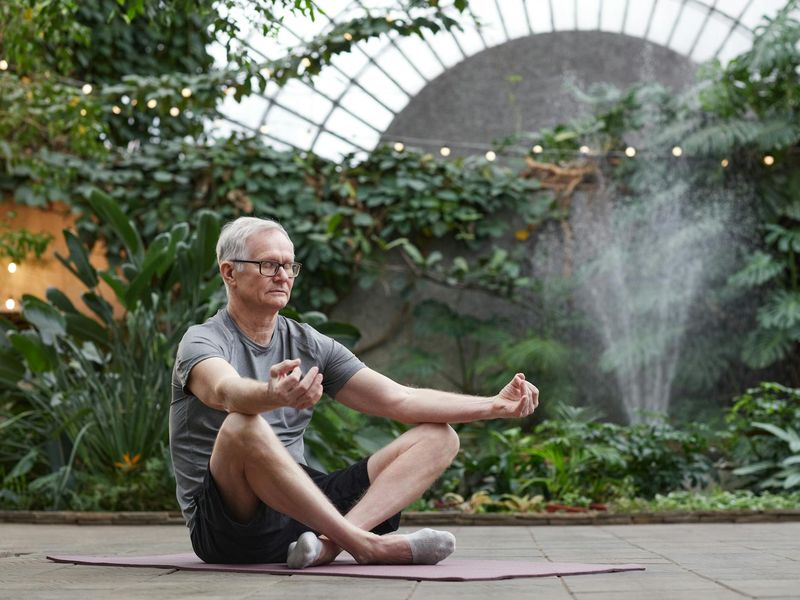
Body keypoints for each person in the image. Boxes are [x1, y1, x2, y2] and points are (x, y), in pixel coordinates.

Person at [169, 216, 539, 569]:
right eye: (269, 265)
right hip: (229, 528)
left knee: (439, 436)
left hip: (303, 516)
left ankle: (328, 546)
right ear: (229, 272)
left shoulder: (309, 342)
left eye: (289, 266)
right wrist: (274, 394)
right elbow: (225, 391)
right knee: (241, 427)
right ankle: (364, 544)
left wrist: (494, 405)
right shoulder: (203, 340)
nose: (283, 276)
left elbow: (399, 400)